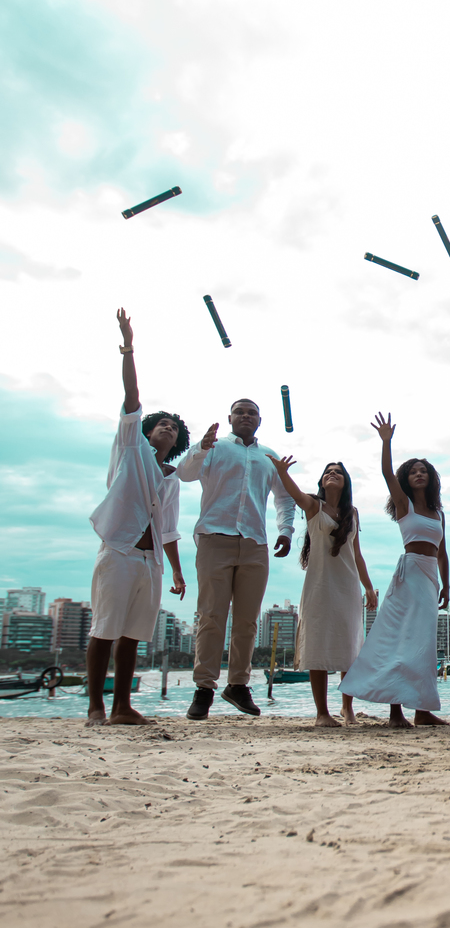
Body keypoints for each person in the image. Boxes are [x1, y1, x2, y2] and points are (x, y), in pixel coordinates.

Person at [85, 308, 188, 726]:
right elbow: (132, 398)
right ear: (147, 431)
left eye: (173, 428)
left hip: (151, 561)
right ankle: (95, 707)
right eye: (160, 425)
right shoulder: (131, 450)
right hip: (120, 551)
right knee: (105, 628)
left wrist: (179, 574)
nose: (167, 429)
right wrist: (128, 347)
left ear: (179, 441)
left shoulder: (171, 478)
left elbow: (168, 531)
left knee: (133, 635)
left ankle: (122, 707)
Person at [177, 398, 295, 719]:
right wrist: (200, 447)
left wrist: (286, 530)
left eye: (251, 412)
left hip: (255, 542)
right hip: (215, 537)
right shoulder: (214, 448)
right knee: (211, 615)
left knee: (247, 620)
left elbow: (284, 498)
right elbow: (185, 474)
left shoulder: (268, 457)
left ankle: (238, 685)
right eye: (239, 411)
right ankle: (204, 688)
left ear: (259, 420)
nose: (245, 416)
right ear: (230, 418)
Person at [340, 416, 449, 729]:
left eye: (423, 471)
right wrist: (386, 441)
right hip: (410, 575)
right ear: (408, 478)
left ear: (431, 478)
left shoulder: (438, 512)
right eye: (413, 471)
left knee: (424, 645)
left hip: (430, 580)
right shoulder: (404, 505)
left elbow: (443, 551)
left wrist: (447, 585)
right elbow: (387, 473)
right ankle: (395, 711)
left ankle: (423, 709)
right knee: (401, 642)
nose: (419, 474)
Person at [266, 456, 378, 728]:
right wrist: (282, 472)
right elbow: (293, 494)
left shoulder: (353, 512)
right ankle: (322, 712)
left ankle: (347, 707)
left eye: (338, 472)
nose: (333, 474)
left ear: (345, 480)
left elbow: (357, 554)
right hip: (320, 586)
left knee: (349, 645)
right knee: (318, 644)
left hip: (348, 586)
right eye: (328, 471)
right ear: (321, 481)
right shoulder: (313, 505)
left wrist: (368, 587)